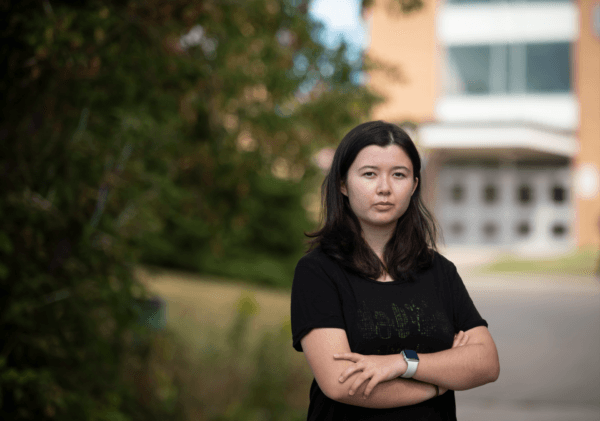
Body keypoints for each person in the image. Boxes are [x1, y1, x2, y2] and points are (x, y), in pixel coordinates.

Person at [290, 121, 499, 420]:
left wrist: (404, 364)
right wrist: (439, 383)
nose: (384, 188)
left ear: (414, 185)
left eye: (398, 175)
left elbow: (486, 363)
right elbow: (341, 384)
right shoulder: (318, 272)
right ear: (343, 183)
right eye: (369, 174)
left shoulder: (439, 271)